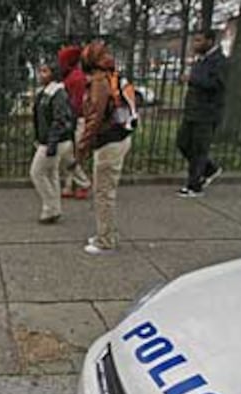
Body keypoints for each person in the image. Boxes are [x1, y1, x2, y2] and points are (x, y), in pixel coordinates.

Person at [77, 42, 134, 255]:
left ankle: (106, 240)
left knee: (103, 193)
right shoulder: (110, 76)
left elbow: (94, 118)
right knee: (104, 191)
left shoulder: (99, 83)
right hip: (118, 138)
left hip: (108, 142)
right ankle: (105, 233)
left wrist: (81, 149)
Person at [176, 29, 226, 197]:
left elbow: (216, 85)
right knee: (183, 143)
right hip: (192, 111)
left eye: (199, 41)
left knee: (199, 149)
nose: (195, 44)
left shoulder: (219, 61)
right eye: (194, 40)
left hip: (207, 112)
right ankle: (210, 168)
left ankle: (194, 185)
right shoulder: (200, 60)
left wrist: (192, 79)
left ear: (210, 41)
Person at [29, 62, 75, 224]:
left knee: (37, 172)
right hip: (50, 140)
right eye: (40, 70)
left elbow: (59, 120)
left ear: (53, 74)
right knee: (51, 173)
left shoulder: (57, 93)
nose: (41, 74)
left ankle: (51, 207)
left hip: (54, 141)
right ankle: (54, 209)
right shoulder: (47, 92)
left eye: (45, 71)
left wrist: (51, 143)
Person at [58, 45, 92, 200]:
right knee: (70, 153)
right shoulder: (72, 76)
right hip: (74, 119)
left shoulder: (76, 78)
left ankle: (83, 183)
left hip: (77, 120)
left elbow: (76, 103)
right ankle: (69, 185)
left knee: (71, 154)